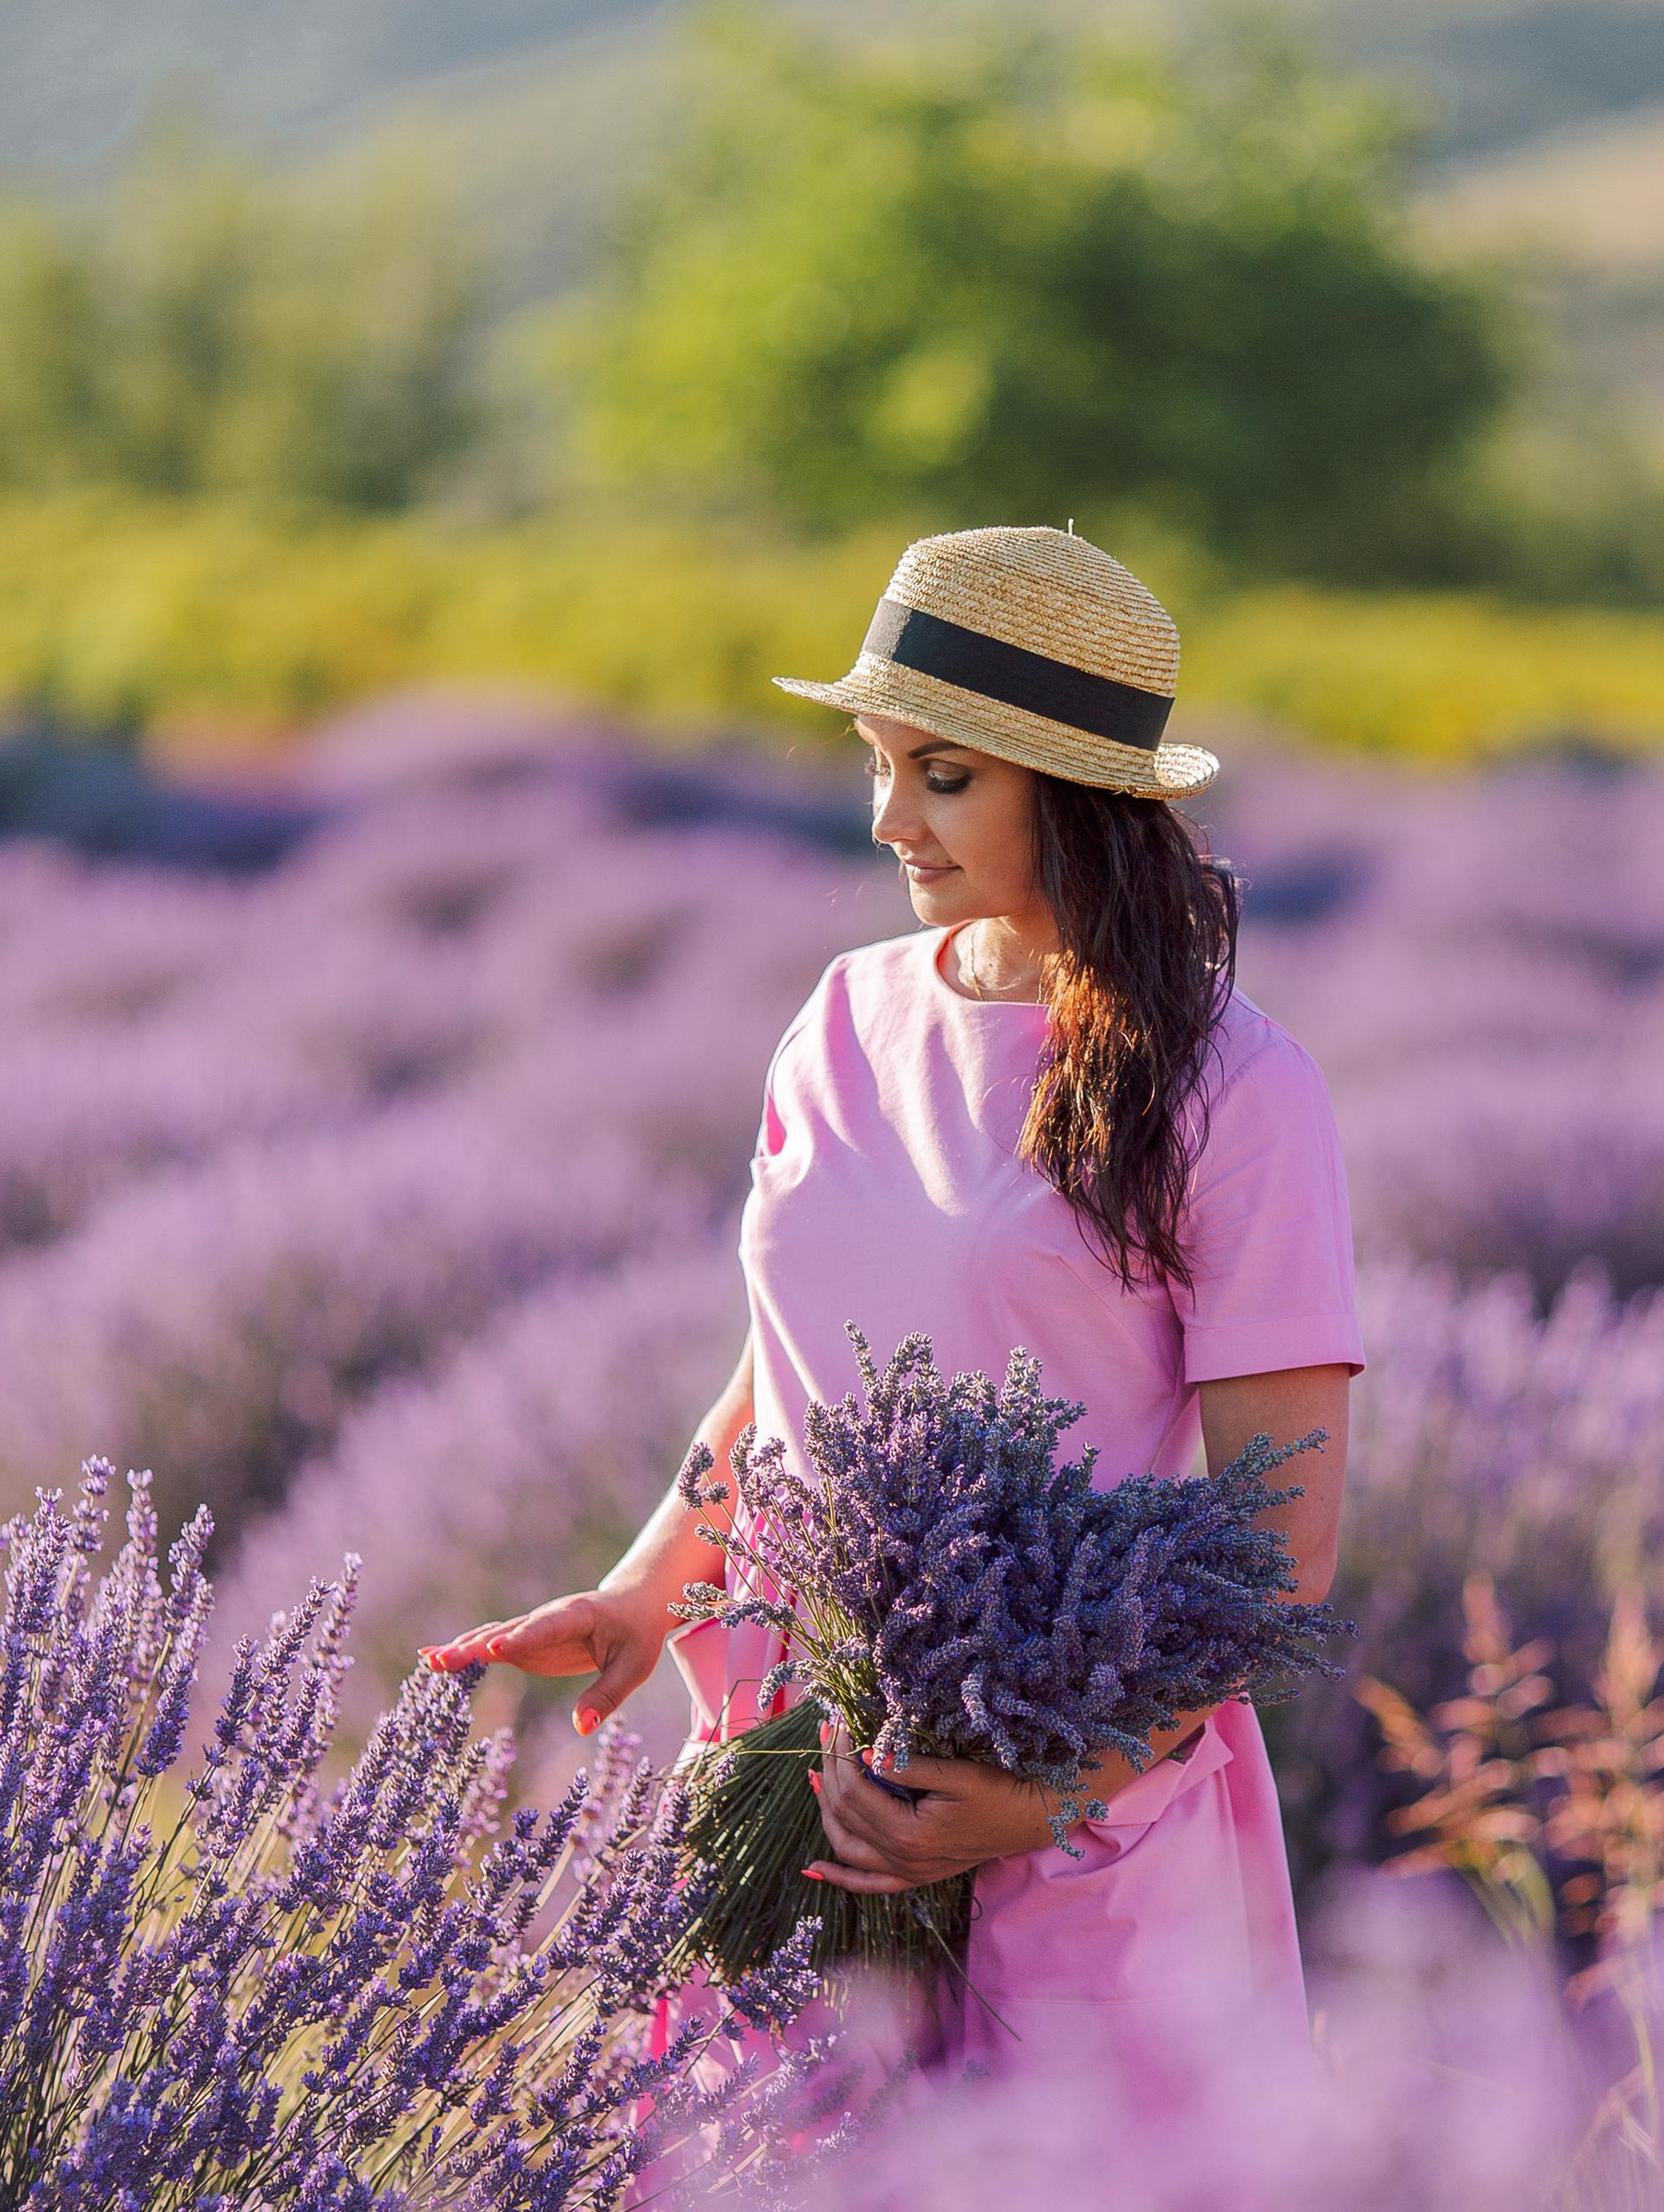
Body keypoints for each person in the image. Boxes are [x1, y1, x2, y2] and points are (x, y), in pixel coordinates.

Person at [423, 522, 1364, 2080]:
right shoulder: (846, 1016)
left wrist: (1049, 1793)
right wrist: (644, 1598)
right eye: (878, 763)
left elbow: (1284, 1541)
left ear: (1069, 788)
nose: (886, 818)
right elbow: (777, 1376)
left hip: (1078, 1815)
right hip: (800, 1771)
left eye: (942, 774)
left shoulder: (1238, 1090)